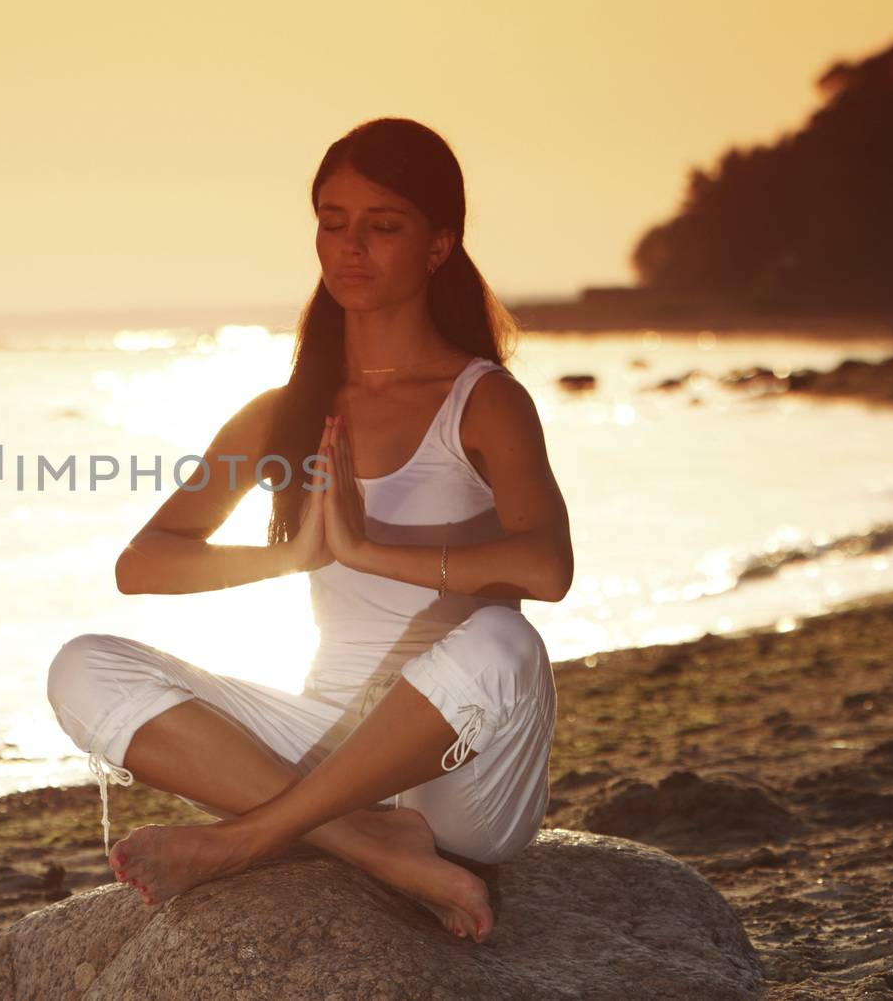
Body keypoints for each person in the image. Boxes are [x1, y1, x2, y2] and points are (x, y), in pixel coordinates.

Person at [45, 117, 573, 945]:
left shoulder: (485, 401)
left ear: (439, 246)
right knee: (82, 668)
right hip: (326, 746)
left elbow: (546, 568)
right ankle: (371, 846)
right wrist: (286, 556)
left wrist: (368, 552)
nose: (349, 248)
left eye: (382, 226)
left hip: (459, 776)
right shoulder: (283, 415)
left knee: (506, 643)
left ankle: (254, 838)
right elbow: (143, 564)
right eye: (332, 222)